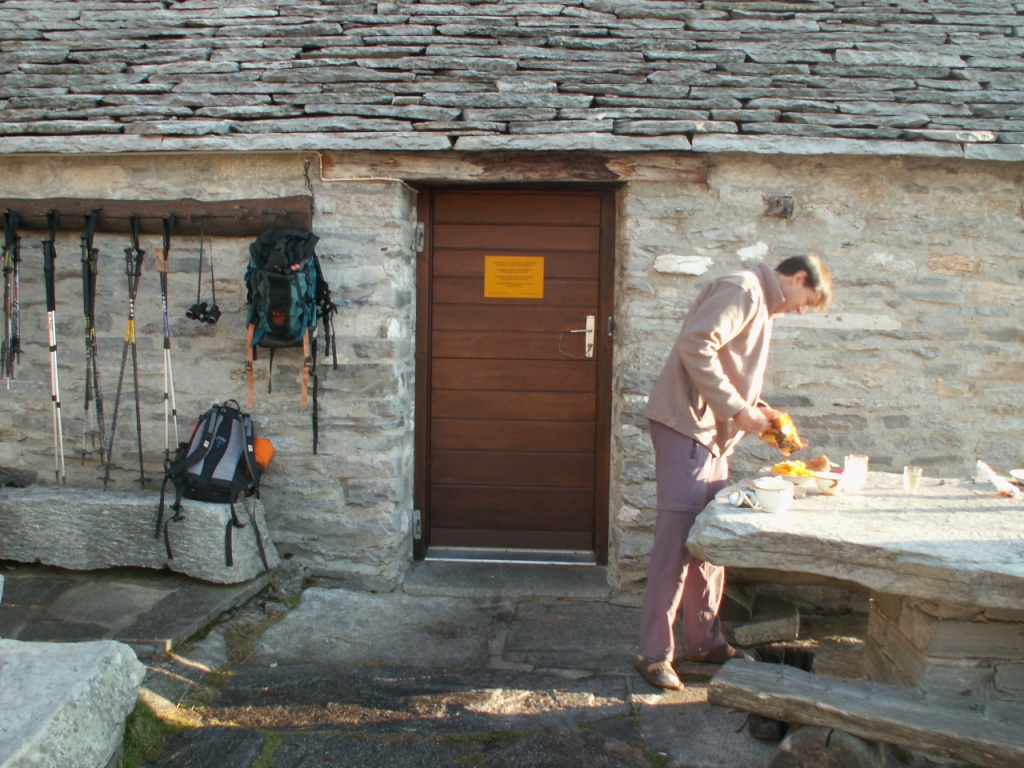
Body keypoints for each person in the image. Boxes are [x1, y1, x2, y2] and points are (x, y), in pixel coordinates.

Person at [634, 254, 834, 690]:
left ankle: (703, 642)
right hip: (688, 429)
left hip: (710, 436)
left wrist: (757, 412)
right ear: (798, 277)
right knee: (675, 546)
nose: (802, 311)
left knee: (710, 540)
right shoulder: (743, 289)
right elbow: (696, 345)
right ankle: (653, 653)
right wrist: (738, 410)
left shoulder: (759, 299)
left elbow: (725, 365)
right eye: (807, 300)